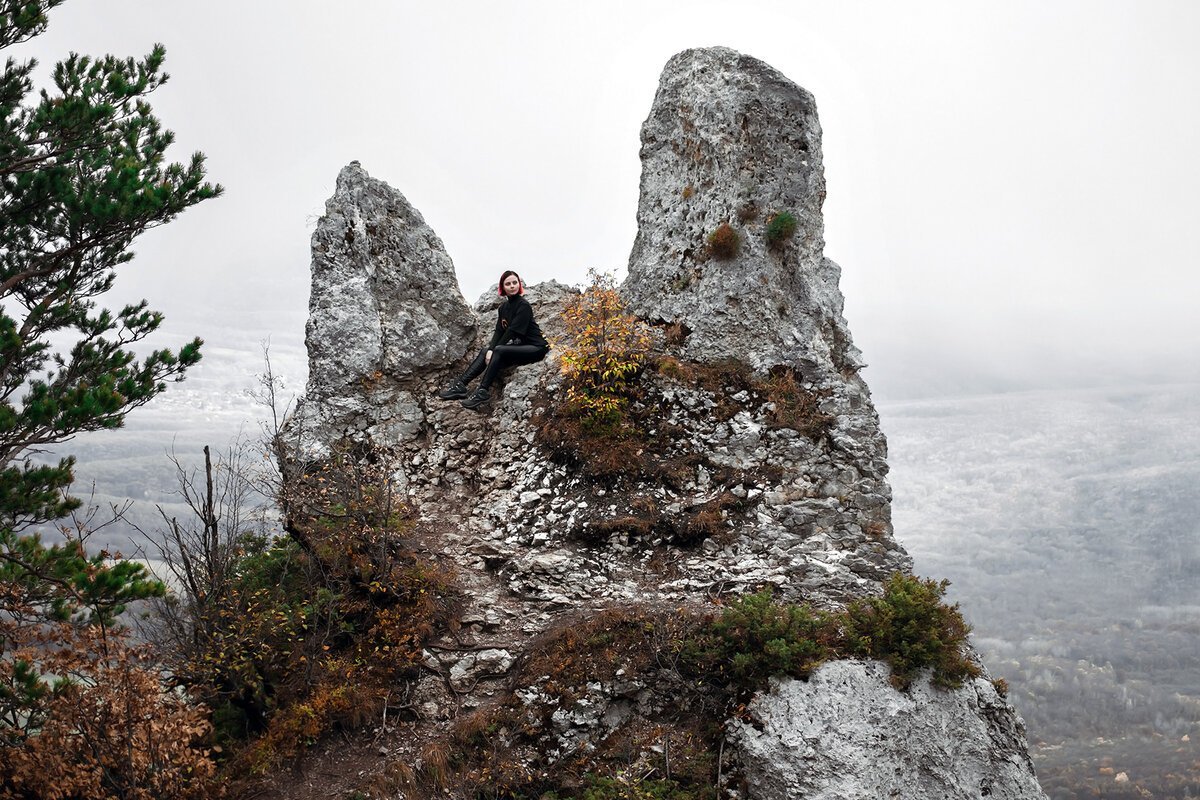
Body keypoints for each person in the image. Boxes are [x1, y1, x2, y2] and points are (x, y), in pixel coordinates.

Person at [437, 270, 550, 410]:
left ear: (519, 285)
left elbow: (511, 331)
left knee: (499, 349)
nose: (512, 286)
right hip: (521, 347)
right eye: (508, 284)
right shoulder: (503, 308)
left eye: (515, 283)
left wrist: (495, 350)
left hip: (536, 348)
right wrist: (490, 350)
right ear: (503, 287)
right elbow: (499, 331)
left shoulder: (523, 305)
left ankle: (482, 391)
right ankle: (460, 385)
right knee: (486, 351)